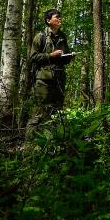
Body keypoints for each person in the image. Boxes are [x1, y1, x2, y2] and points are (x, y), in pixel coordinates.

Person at [26, 8, 73, 136]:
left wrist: (69, 56)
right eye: (56, 17)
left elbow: (64, 59)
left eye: (60, 17)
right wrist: (50, 55)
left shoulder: (63, 37)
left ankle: (50, 142)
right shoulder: (40, 36)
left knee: (56, 114)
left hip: (59, 80)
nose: (59, 19)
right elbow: (33, 57)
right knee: (39, 112)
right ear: (48, 20)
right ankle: (30, 142)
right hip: (44, 81)